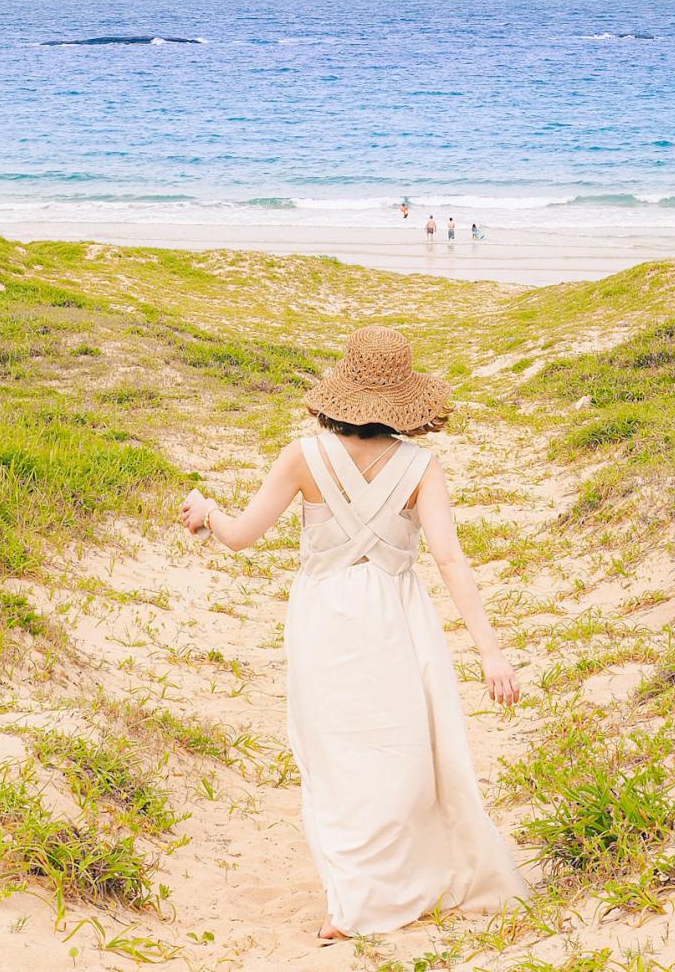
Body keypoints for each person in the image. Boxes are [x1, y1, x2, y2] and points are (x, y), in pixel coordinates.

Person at [178, 326, 527, 941]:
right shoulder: (422, 465)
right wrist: (491, 654)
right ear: (405, 401)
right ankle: (402, 881)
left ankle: (354, 902)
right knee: (403, 749)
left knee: (336, 755)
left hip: (326, 617)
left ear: (340, 392)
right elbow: (450, 560)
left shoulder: (301, 456)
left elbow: (239, 536)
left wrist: (207, 512)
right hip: (396, 612)